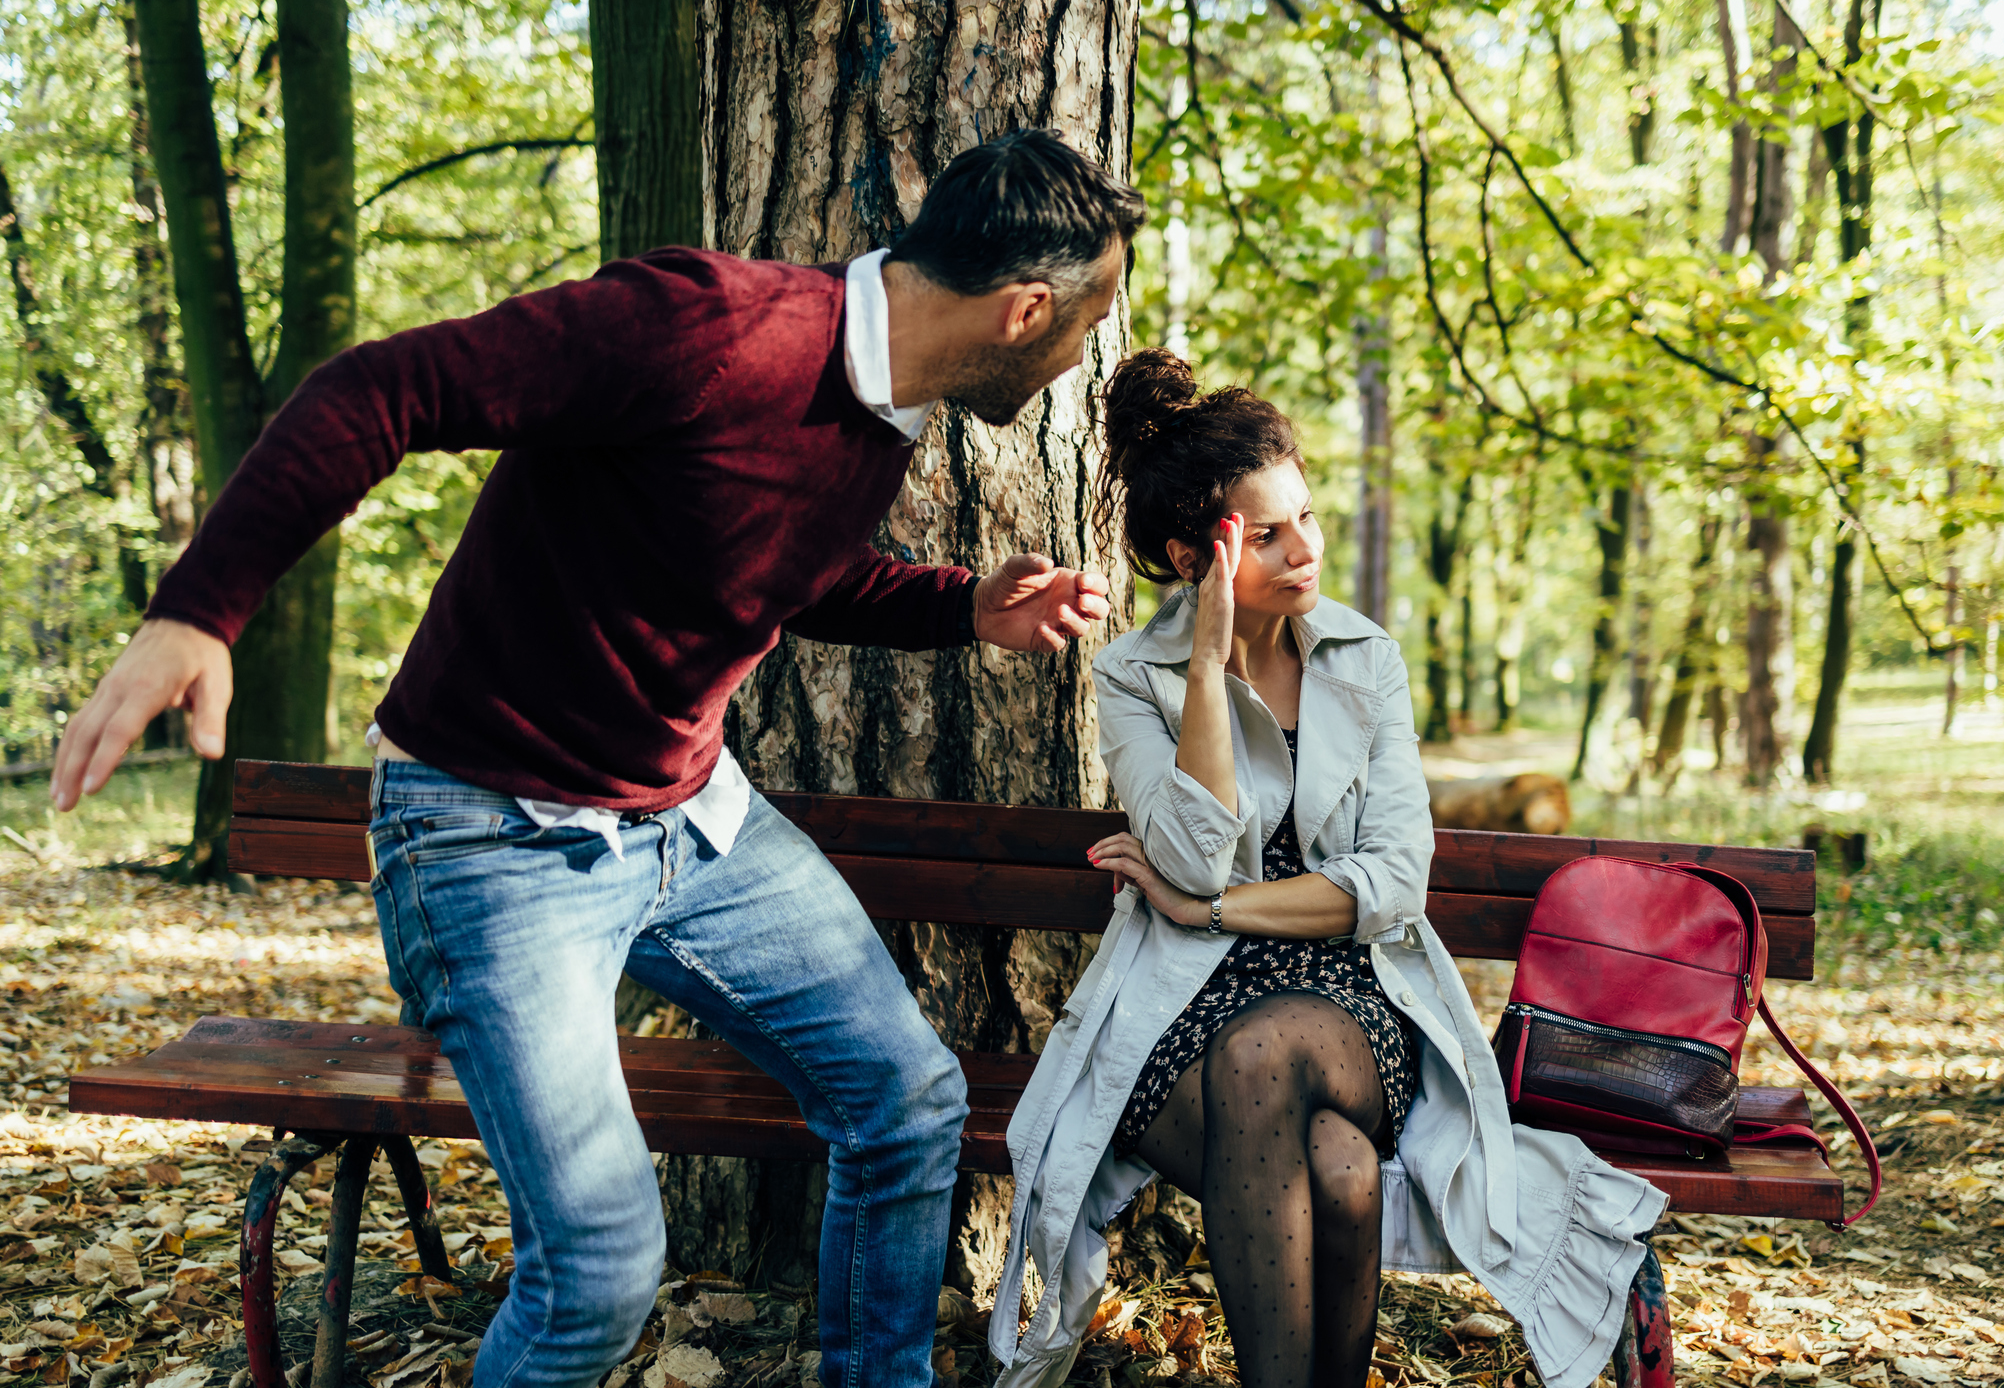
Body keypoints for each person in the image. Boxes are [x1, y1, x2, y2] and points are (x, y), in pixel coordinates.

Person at [49, 131, 1145, 1388]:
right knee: (601, 1271)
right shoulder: (706, 325)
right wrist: (198, 609)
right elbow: (380, 388)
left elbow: (766, 559)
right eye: (1088, 323)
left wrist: (959, 607)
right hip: (490, 834)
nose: (1079, 359)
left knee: (909, 1104)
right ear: (1025, 309)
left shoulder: (879, 410)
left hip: (691, 822)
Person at [988, 349, 1674, 1388]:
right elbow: (1183, 845)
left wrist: (1212, 907)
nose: (1305, 549)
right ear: (1192, 556)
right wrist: (1211, 669)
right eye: (1266, 534)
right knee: (1340, 1166)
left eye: (1305, 515)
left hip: (1353, 1012)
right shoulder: (1136, 673)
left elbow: (1390, 883)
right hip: (1178, 1019)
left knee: (1272, 1058)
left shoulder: (1365, 661)